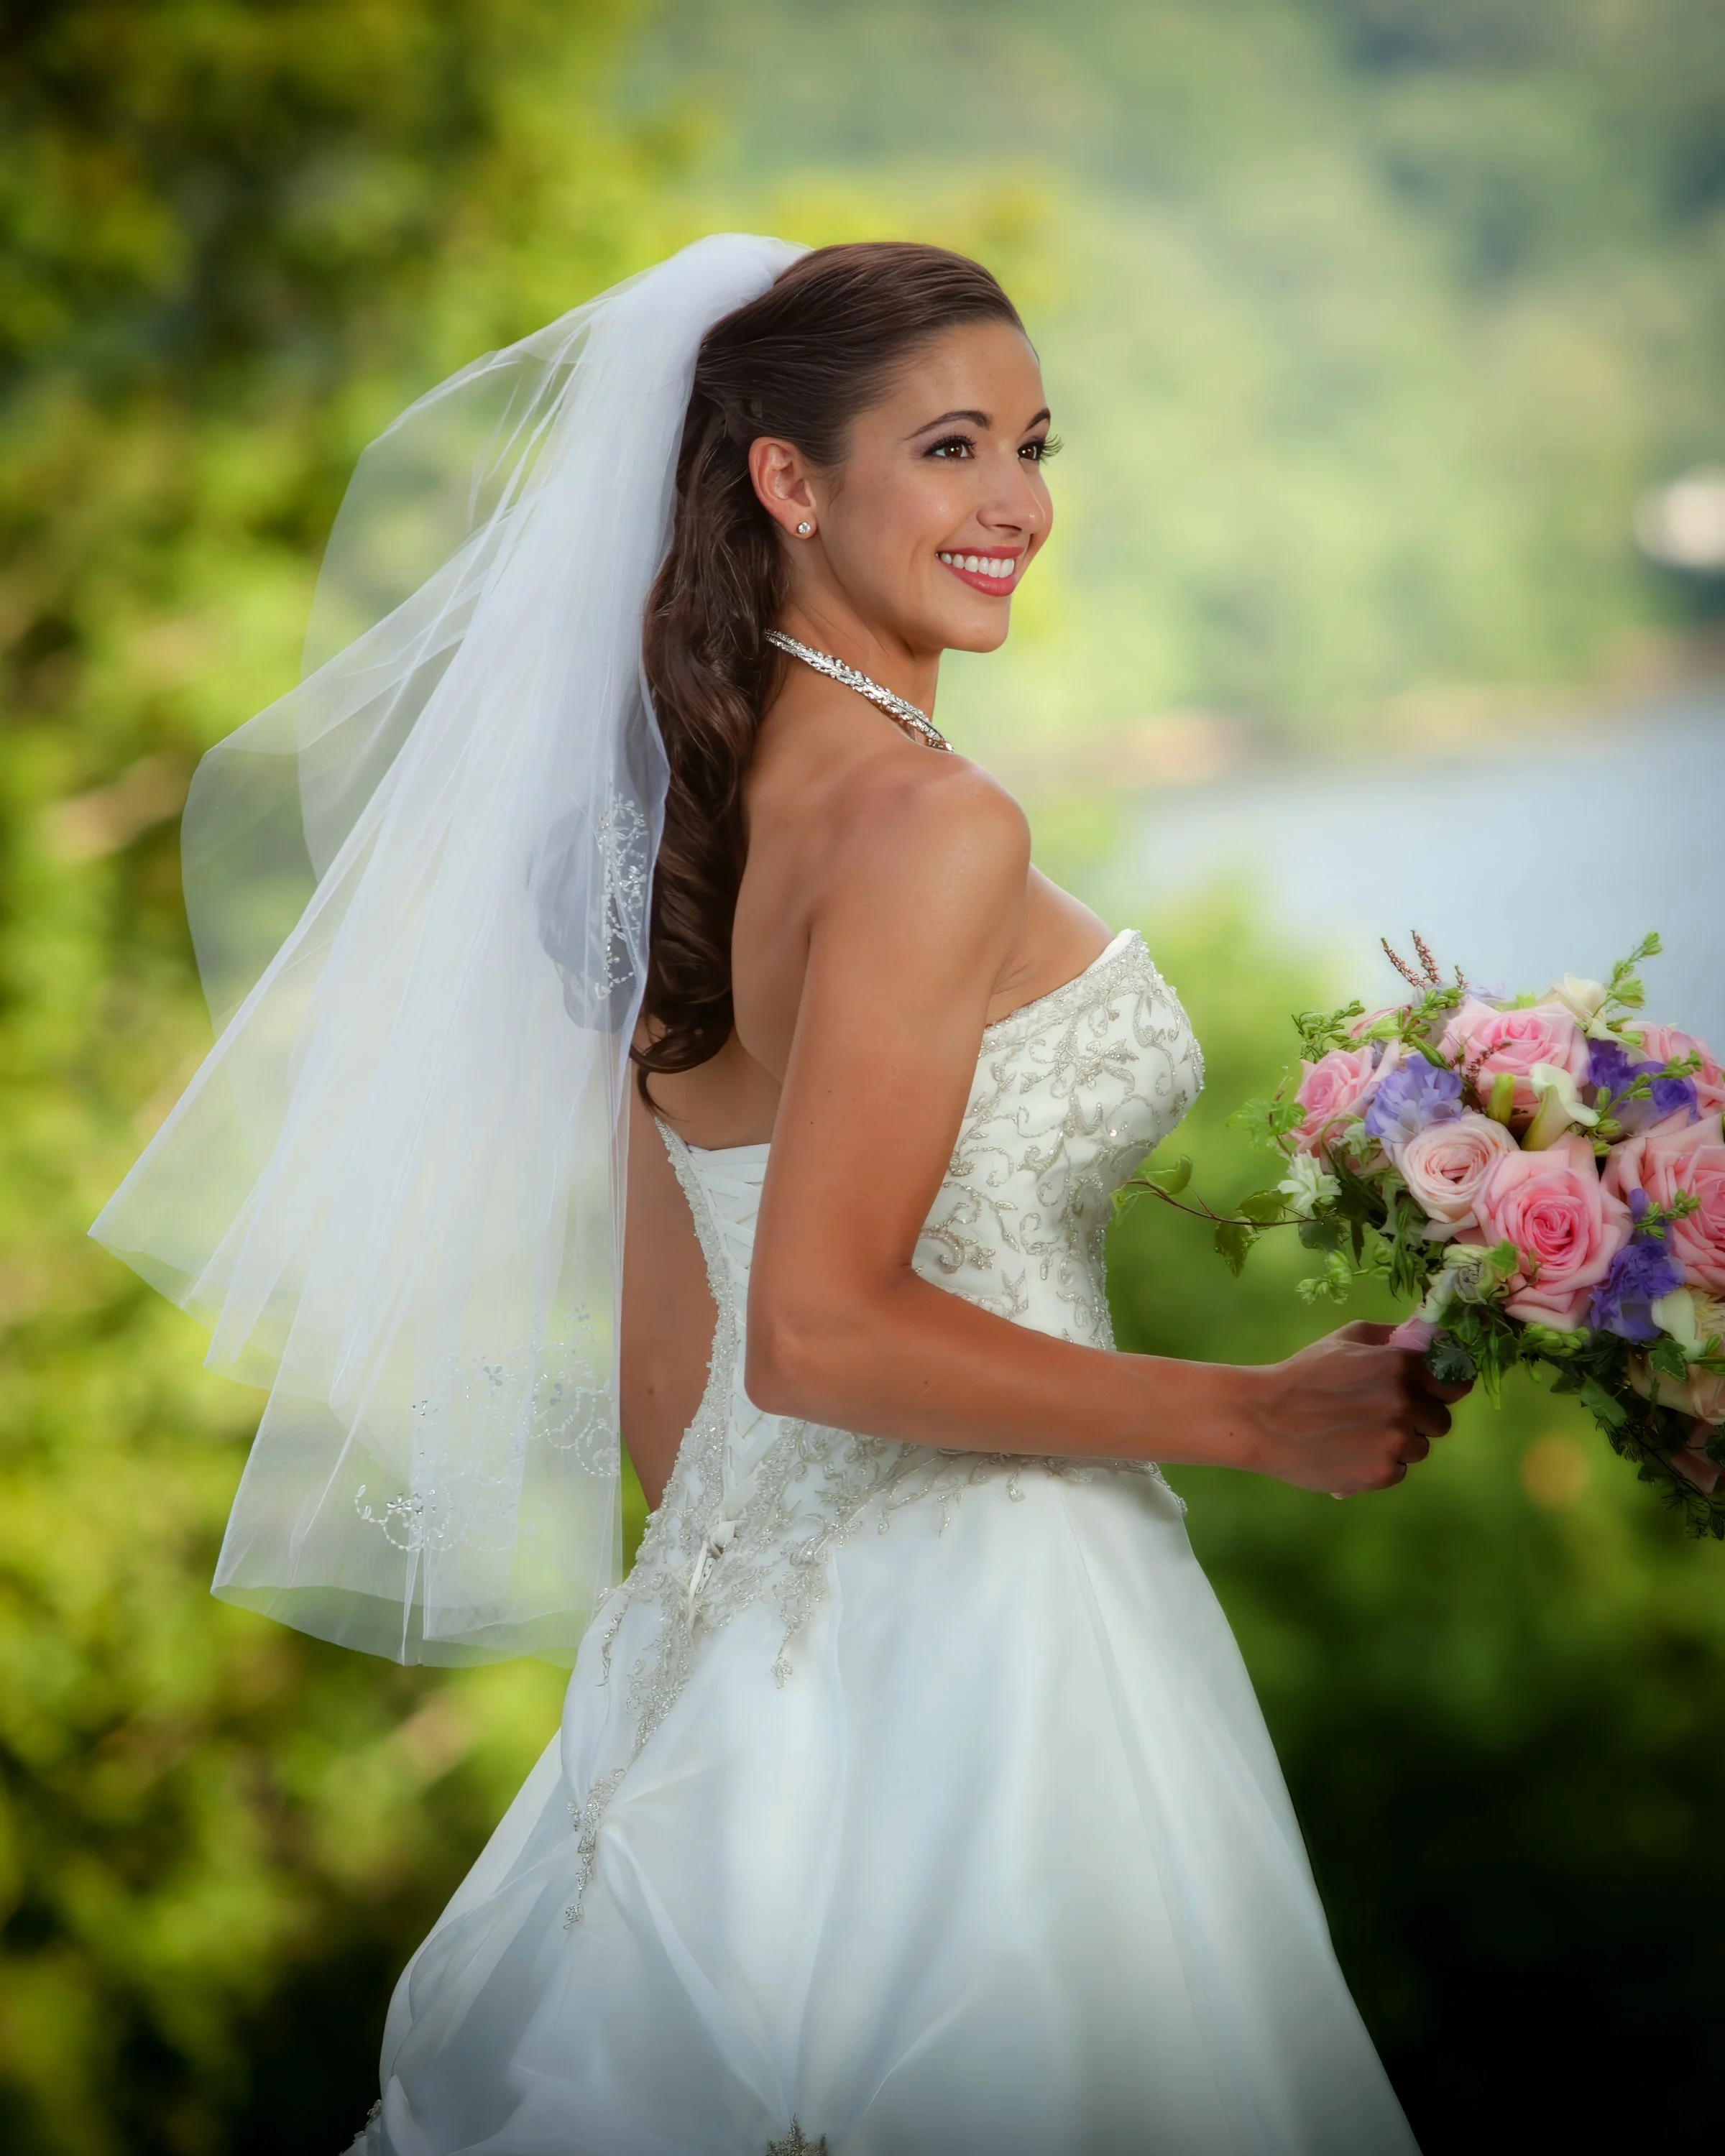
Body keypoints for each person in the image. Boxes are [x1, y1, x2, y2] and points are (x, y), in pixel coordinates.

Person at [95, 236, 1462, 2154]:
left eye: (1035, 448)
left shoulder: (677, 835)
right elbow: (815, 1334)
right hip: (998, 1632)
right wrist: (1252, 1413)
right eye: (954, 449)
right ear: (788, 482)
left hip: (715, 1657)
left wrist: (749, 1668)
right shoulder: (928, 825)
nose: (1016, 507)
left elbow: (681, 1396)